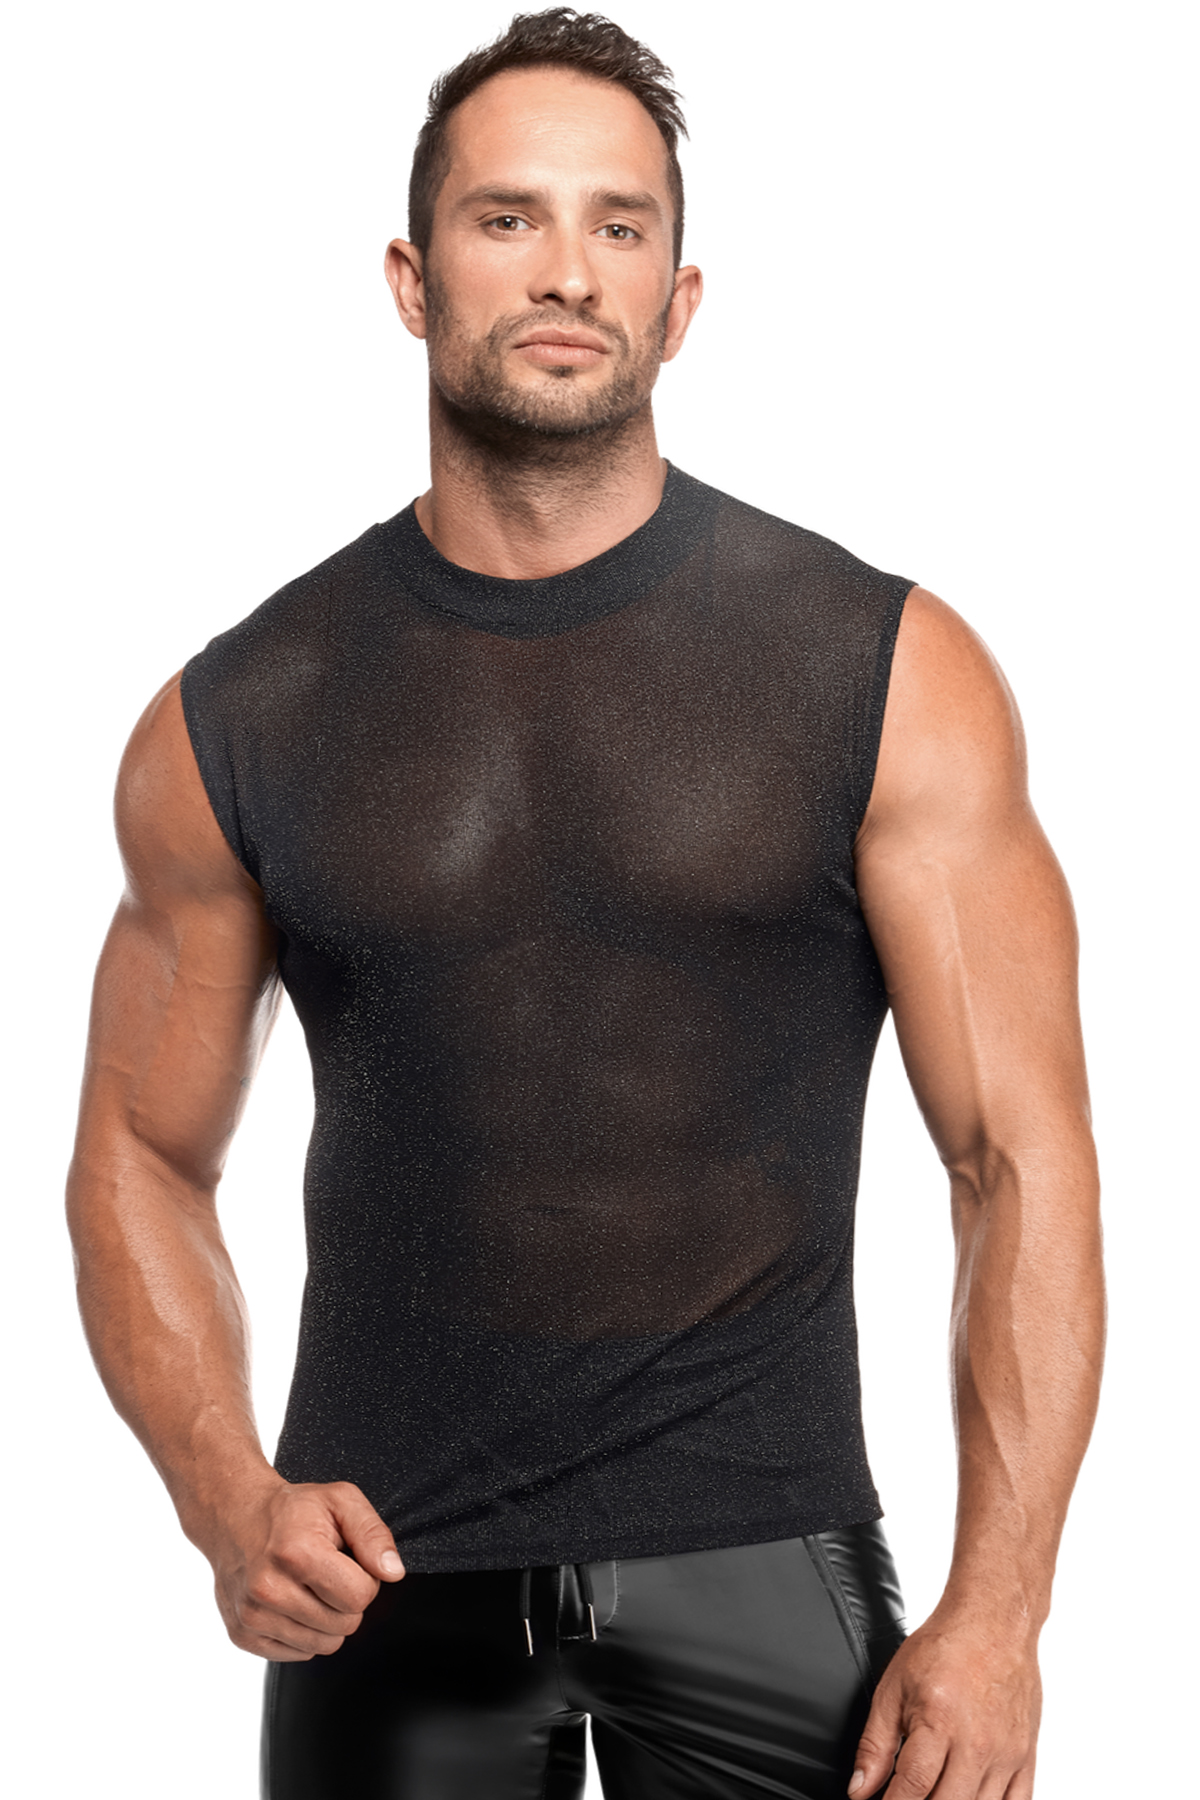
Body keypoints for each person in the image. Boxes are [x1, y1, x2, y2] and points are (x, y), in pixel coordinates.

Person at [66, 9, 1104, 1797]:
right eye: (509, 217)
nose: (567, 270)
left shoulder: (883, 671)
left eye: (620, 226)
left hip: (770, 1567)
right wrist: (225, 1492)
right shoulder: (243, 710)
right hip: (383, 1583)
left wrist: (1000, 1612)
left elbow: (1020, 1154)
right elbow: (138, 1153)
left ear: (679, 300)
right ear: (412, 279)